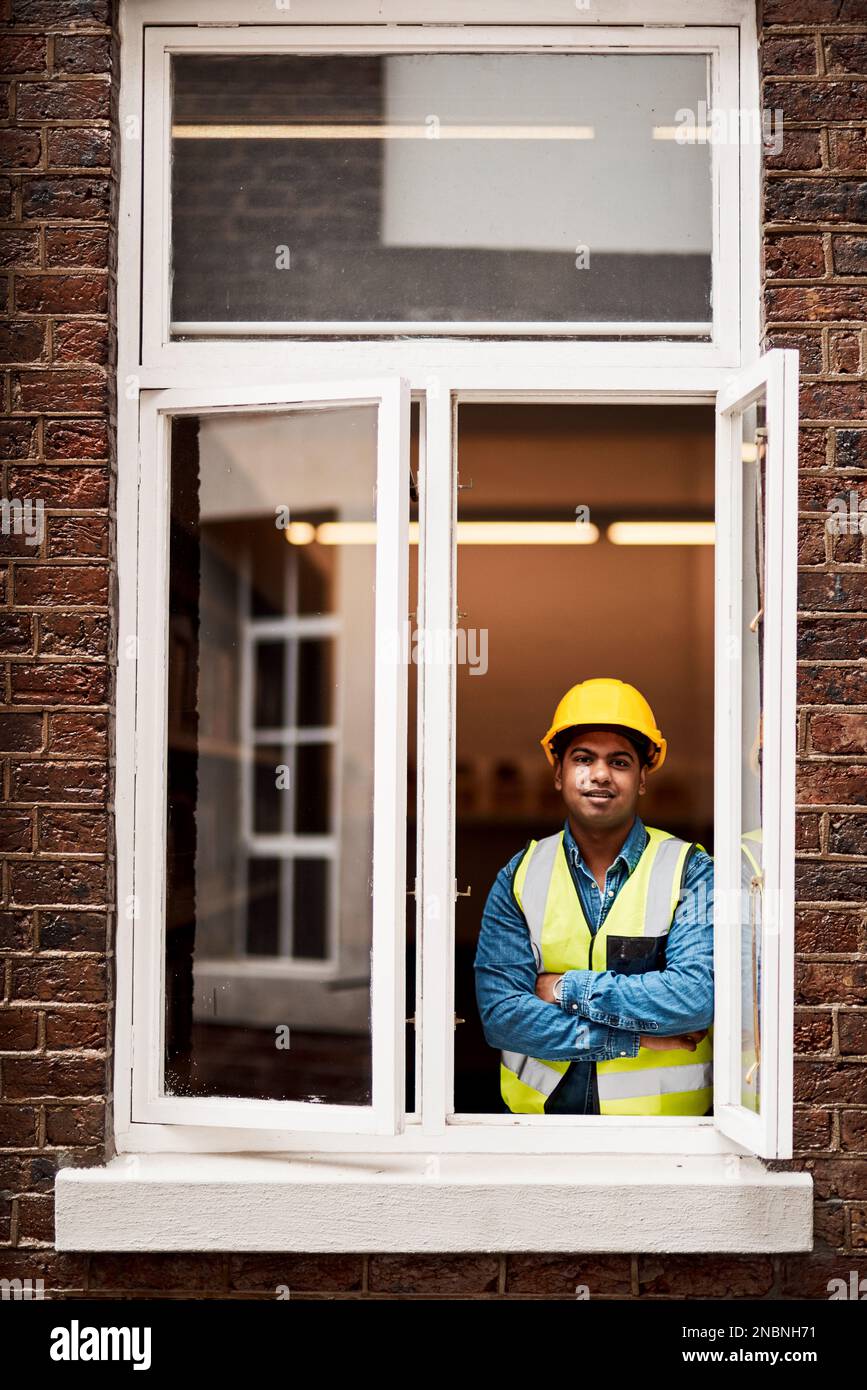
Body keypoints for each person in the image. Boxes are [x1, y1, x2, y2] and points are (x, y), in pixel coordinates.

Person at [473, 677, 714, 1115]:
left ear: (642, 778)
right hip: (541, 1127)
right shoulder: (520, 874)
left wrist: (563, 987)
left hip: (665, 1137)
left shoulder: (691, 870)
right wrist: (631, 1037)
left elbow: (693, 1000)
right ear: (558, 773)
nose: (600, 774)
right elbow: (503, 1014)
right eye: (583, 759)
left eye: (619, 762)